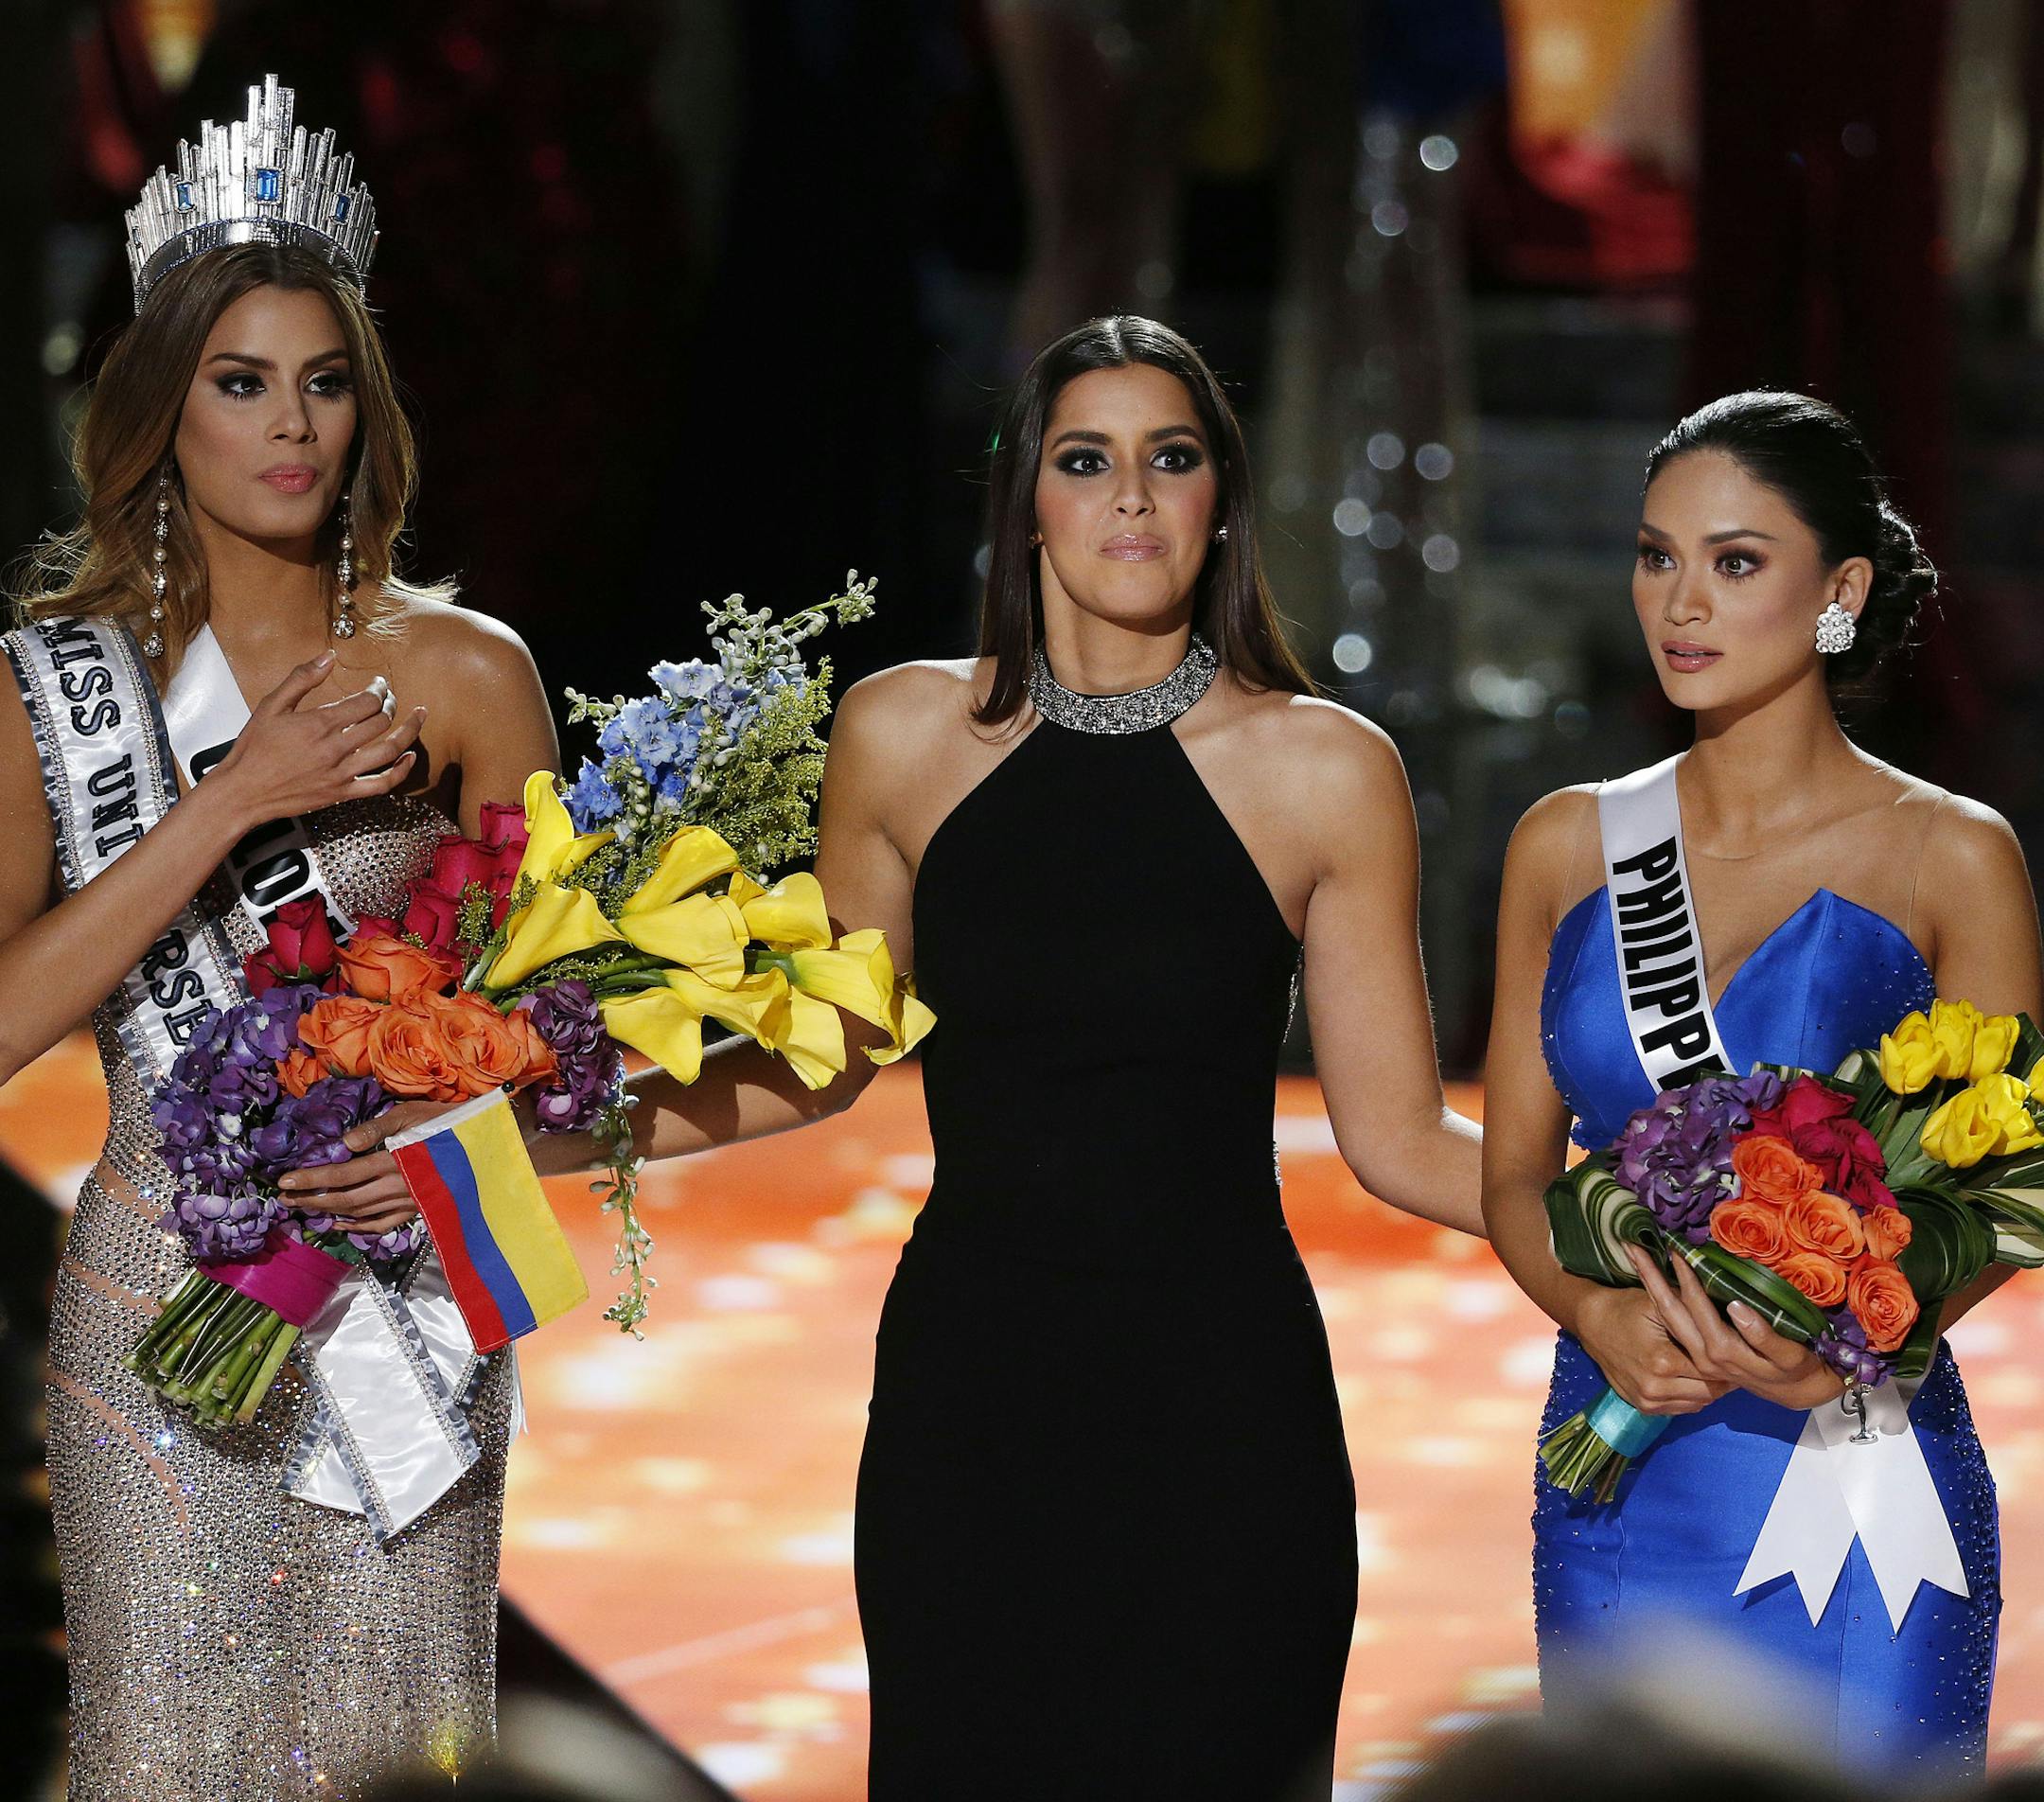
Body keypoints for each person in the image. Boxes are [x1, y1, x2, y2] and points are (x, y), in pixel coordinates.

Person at [350, 310, 1480, 1799]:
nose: (1131, 497)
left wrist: (1628, 1230)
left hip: (1222, 1414)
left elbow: (1401, 1140)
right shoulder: (902, 735)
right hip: (975, 1401)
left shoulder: (1328, 769)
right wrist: (493, 1146)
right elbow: (818, 1059)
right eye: (1087, 460)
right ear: (1026, 505)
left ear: (1220, 504)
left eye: (1171, 458)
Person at [0, 79, 555, 1795]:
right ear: (164, 412)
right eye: (240, 384)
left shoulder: (468, 674)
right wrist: (230, 806)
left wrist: (454, 1169)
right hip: (160, 1310)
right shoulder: (50, 695)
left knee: (402, 1759)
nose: (289, 427)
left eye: (323, 383)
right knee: (167, 1761)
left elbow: (574, 1027)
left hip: (415, 1297)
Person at [1481, 390, 2036, 1776]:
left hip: (1853, 1472)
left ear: (1838, 589)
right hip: (1621, 1453)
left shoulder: (1951, 856)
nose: (1682, 602)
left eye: (1735, 562)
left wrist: (1847, 1345)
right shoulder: (1566, 847)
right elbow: (1510, 1171)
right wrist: (1591, 1310)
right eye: (1656, 555)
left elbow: (2014, 1185)